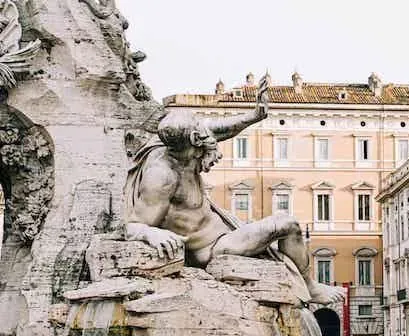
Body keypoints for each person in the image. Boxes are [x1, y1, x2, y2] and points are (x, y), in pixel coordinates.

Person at [123, 73, 345, 307]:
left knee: (284, 224)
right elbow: (133, 225)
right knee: (287, 224)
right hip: (214, 248)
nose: (209, 159)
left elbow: (220, 129)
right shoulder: (162, 176)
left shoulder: (182, 146)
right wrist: (151, 233)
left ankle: (308, 284)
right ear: (192, 145)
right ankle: (310, 286)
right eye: (204, 153)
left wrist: (254, 115)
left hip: (226, 229)